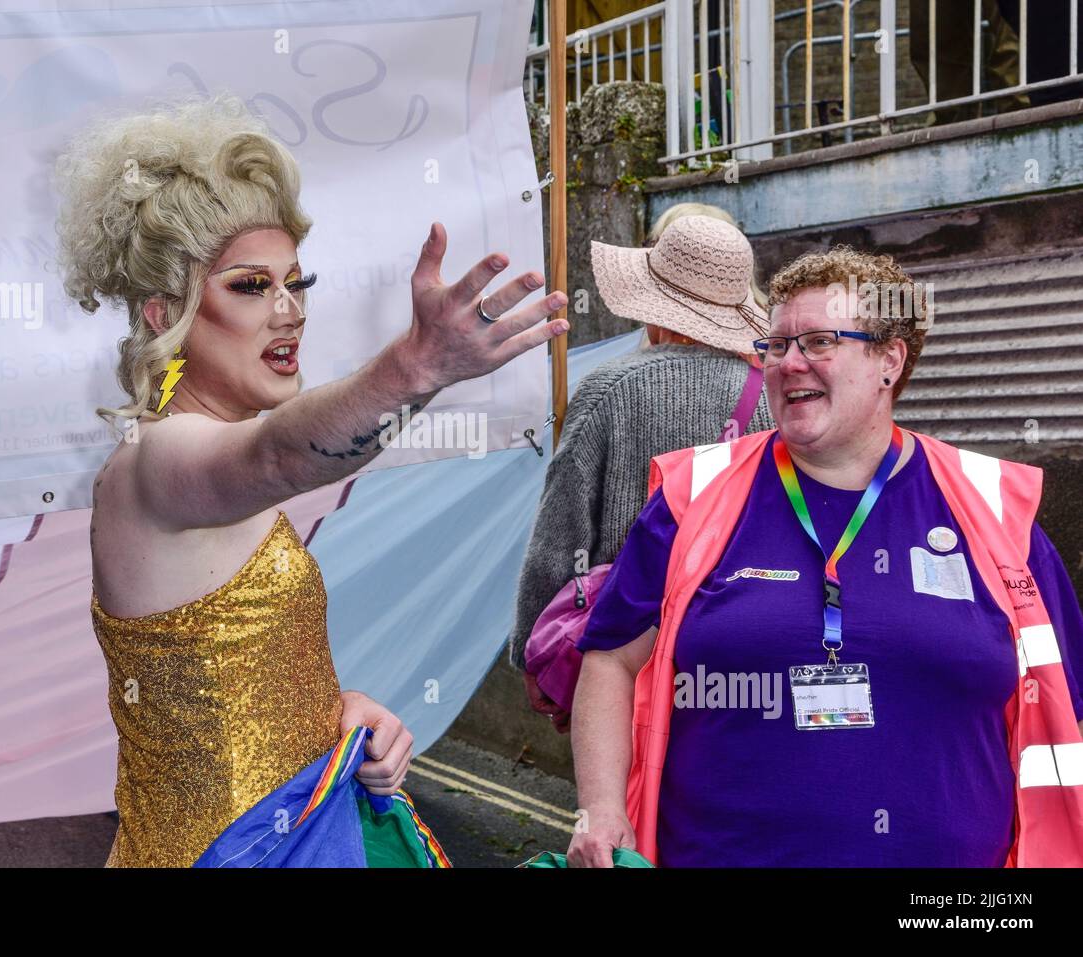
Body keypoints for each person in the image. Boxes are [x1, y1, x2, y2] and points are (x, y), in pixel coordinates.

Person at [54, 94, 569, 867]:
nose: (289, 311)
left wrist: (341, 717)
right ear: (167, 313)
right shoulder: (152, 466)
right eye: (250, 286)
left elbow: (234, 686)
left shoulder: (209, 468)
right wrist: (416, 367)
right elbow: (278, 455)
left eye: (298, 280)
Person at [566, 246, 1083, 867]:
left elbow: (1064, 704)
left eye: (816, 341)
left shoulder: (996, 510)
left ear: (889, 361)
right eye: (776, 345)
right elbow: (612, 661)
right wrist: (600, 810)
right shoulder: (692, 497)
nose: (788, 363)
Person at [509, 208, 773, 730]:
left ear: (653, 306)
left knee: (618, 799)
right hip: (741, 652)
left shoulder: (609, 388)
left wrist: (530, 651)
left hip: (624, 654)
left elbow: (559, 537)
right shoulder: (776, 397)